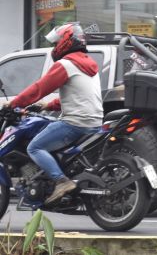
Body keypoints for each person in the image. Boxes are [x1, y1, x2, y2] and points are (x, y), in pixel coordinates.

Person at [3, 22, 103, 204]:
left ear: (66, 41)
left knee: (34, 147)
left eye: (56, 43)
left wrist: (13, 103)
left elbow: (38, 88)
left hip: (75, 123)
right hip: (93, 122)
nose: (54, 47)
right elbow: (78, 96)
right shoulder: (90, 65)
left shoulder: (66, 64)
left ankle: (61, 181)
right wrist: (47, 106)